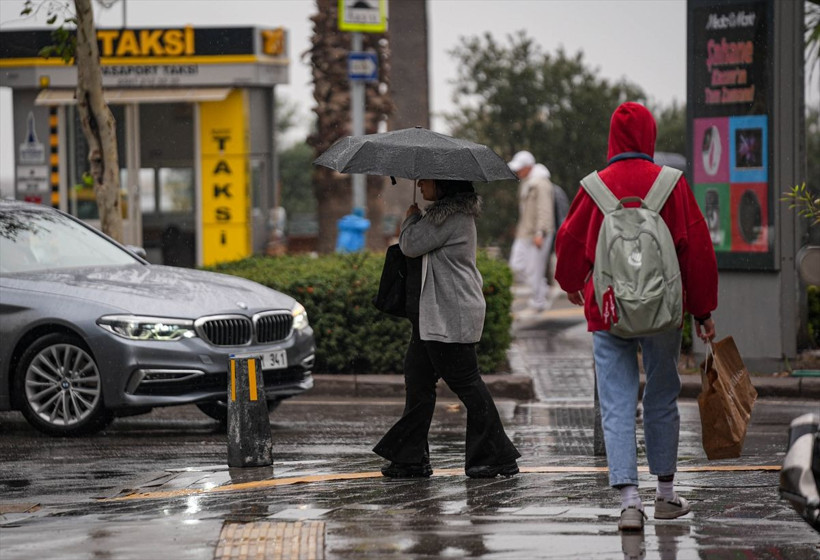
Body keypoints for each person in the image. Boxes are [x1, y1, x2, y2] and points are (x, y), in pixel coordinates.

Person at [554, 102, 718, 531]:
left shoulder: (594, 187)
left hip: (608, 310)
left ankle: (629, 502)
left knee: (616, 401)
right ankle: (665, 495)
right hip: (663, 313)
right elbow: (696, 250)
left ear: (612, 138)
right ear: (650, 136)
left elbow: (569, 243)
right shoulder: (672, 185)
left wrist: (571, 282)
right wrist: (703, 311)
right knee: (662, 396)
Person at [373, 178, 521, 479]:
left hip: (449, 315)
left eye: (426, 180)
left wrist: (411, 218)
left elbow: (411, 246)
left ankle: (495, 456)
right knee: (418, 381)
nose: (420, 183)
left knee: (466, 382)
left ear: (444, 185)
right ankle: (410, 458)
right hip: (433, 316)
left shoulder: (450, 217)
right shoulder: (445, 216)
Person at [508, 151, 556, 312]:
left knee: (534, 269)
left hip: (537, 233)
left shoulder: (541, 183)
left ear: (528, 167)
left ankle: (539, 301)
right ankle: (541, 291)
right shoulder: (527, 182)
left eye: (520, 168)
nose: (518, 172)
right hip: (525, 232)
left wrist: (540, 233)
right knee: (517, 265)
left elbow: (544, 210)